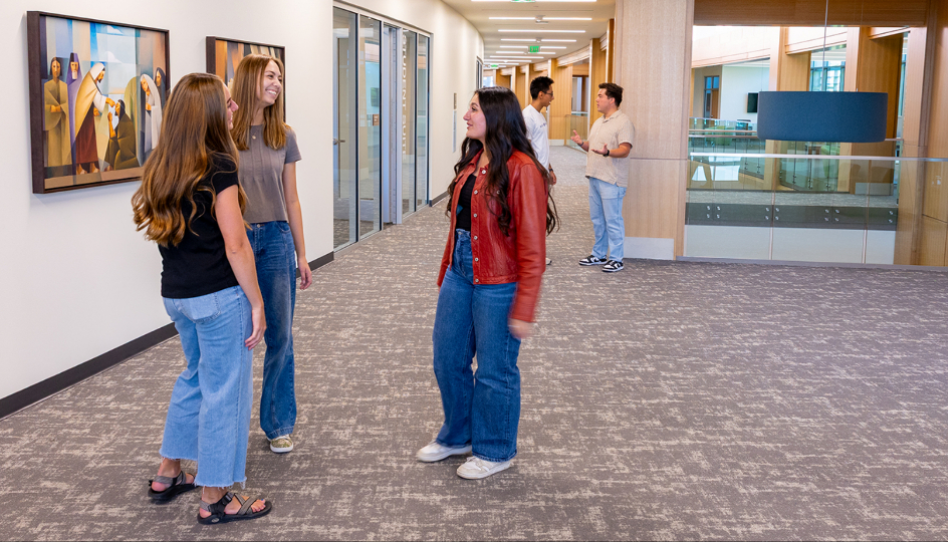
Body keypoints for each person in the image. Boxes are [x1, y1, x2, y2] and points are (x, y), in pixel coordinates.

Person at [133, 73, 272, 525]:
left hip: (177, 297)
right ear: (210, 112)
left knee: (195, 377)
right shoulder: (218, 164)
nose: (235, 109)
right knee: (225, 392)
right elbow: (236, 244)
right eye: (228, 104)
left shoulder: (161, 163)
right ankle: (216, 496)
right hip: (218, 298)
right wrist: (256, 302)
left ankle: (168, 471)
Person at [416, 86, 557, 480]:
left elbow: (532, 246)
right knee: (448, 358)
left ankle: (496, 449)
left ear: (494, 116)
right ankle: (458, 434)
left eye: (473, 109)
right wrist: (447, 270)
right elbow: (460, 225)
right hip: (461, 274)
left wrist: (525, 306)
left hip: (501, 281)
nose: (466, 115)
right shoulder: (475, 160)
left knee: (495, 370)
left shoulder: (523, 169)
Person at [230, 54, 310, 454]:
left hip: (277, 242)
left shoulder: (285, 135)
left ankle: (278, 423)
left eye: (280, 77)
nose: (277, 83)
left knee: (280, 336)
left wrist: (303, 254)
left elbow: (291, 200)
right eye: (270, 76)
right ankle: (228, 424)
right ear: (248, 80)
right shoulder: (225, 134)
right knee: (237, 338)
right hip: (237, 243)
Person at [570, 83, 634, 273]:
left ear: (611, 99)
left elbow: (625, 149)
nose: (597, 99)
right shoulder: (599, 121)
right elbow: (593, 147)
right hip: (595, 176)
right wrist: (582, 143)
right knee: (597, 219)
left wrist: (608, 153)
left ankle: (616, 258)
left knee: (613, 220)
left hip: (612, 180)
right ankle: (598, 254)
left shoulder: (623, 122)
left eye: (600, 96)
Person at [523, 76, 556, 266]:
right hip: (533, 175)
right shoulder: (527, 116)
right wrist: (538, 171)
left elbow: (541, 147)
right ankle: (532, 256)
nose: (552, 98)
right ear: (541, 94)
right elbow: (524, 148)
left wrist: (549, 168)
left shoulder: (539, 115)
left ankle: (537, 253)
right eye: (550, 94)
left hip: (542, 173)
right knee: (533, 216)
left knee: (540, 215)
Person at [44, 57, 71, 177]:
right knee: (54, 152)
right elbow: (44, 105)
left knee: (64, 153)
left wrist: (61, 108)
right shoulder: (46, 86)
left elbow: (70, 104)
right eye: (54, 67)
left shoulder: (65, 86)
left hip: (64, 123)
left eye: (58, 67)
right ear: (51, 68)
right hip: (53, 125)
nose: (56, 69)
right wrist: (51, 108)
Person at [104, 99, 140, 171]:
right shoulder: (121, 120)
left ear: (121, 108)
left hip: (126, 151)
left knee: (117, 160)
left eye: (117, 106)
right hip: (122, 147)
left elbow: (125, 139)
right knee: (111, 142)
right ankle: (110, 165)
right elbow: (113, 136)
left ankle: (112, 166)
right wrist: (110, 121)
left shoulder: (125, 120)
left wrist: (110, 121)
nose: (115, 108)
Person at [140, 73, 163, 160]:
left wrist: (151, 108)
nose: (143, 85)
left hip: (153, 124)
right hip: (146, 124)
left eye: (145, 83)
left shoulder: (154, 94)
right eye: (142, 84)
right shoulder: (144, 95)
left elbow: (158, 108)